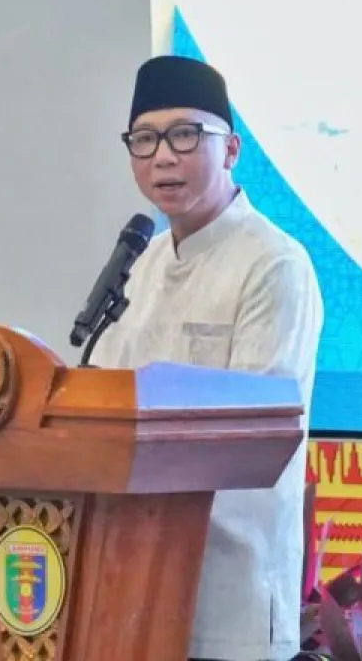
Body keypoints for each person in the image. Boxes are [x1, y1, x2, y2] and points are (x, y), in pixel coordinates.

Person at [90, 55, 324, 661]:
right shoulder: (139, 265)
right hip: (133, 581)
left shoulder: (273, 265)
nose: (163, 156)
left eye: (185, 135)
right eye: (144, 139)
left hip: (231, 586)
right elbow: (102, 403)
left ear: (231, 150)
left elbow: (256, 435)